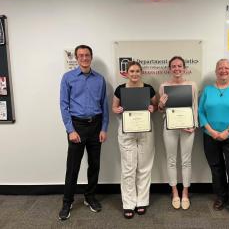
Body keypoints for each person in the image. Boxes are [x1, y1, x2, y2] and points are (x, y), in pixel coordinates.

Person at [59, 45, 109, 220]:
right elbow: (63, 105)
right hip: (77, 127)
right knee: (73, 167)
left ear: (91, 57)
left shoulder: (100, 79)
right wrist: (70, 130)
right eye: (81, 55)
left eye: (87, 55)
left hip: (95, 126)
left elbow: (104, 106)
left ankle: (90, 197)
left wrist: (104, 128)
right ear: (77, 58)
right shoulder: (68, 78)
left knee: (94, 165)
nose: (84, 58)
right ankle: (67, 201)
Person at [198, 59, 229, 224]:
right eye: (220, 68)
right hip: (210, 136)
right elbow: (200, 111)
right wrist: (211, 131)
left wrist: (228, 131)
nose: (223, 70)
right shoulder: (208, 90)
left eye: (226, 68)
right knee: (216, 168)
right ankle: (221, 197)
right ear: (216, 70)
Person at [112, 61, 157, 219]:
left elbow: (156, 106)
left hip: (145, 130)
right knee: (128, 168)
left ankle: (142, 201)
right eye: (132, 71)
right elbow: (114, 108)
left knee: (144, 167)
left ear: (141, 72)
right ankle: (128, 203)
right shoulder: (120, 89)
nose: (135, 74)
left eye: (137, 71)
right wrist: (117, 110)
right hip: (127, 131)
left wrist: (153, 108)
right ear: (126, 73)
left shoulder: (148, 88)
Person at [158, 56, 198, 210]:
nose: (176, 69)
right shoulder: (164, 86)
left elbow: (195, 106)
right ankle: (175, 192)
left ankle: (185, 193)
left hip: (188, 128)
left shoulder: (192, 85)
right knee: (171, 160)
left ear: (184, 68)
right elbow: (161, 109)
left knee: (186, 161)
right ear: (169, 69)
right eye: (173, 66)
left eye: (179, 66)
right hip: (170, 127)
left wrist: (194, 125)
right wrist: (161, 104)